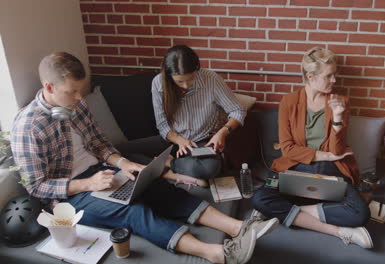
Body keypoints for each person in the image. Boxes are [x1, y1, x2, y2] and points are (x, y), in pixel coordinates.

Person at [11, 52, 278, 264]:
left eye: (82, 90)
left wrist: (122, 163)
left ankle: (238, 227)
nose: (81, 98)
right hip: (72, 195)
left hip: (103, 172)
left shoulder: (76, 105)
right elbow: (35, 186)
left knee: (155, 186)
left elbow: (99, 144)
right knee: (135, 212)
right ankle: (217, 254)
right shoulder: (28, 127)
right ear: (49, 86)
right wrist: (87, 184)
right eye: (73, 92)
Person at [251, 47, 373, 249]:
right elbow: (288, 149)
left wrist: (337, 118)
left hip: (330, 170)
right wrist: (323, 155)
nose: (334, 80)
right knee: (259, 197)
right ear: (310, 76)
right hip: (293, 166)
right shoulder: (288, 102)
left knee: (360, 212)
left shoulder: (341, 102)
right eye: (329, 76)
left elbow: (337, 150)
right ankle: (340, 232)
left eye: (335, 74)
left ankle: (286, 210)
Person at [152, 45, 246, 187]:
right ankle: (178, 173)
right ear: (168, 75)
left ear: (197, 68)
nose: (185, 85)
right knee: (127, 151)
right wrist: (178, 140)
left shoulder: (211, 79)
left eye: (190, 79)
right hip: (173, 141)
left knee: (210, 168)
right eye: (179, 81)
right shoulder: (158, 83)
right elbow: (162, 125)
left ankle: (170, 164)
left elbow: (238, 110)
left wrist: (223, 132)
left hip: (201, 142)